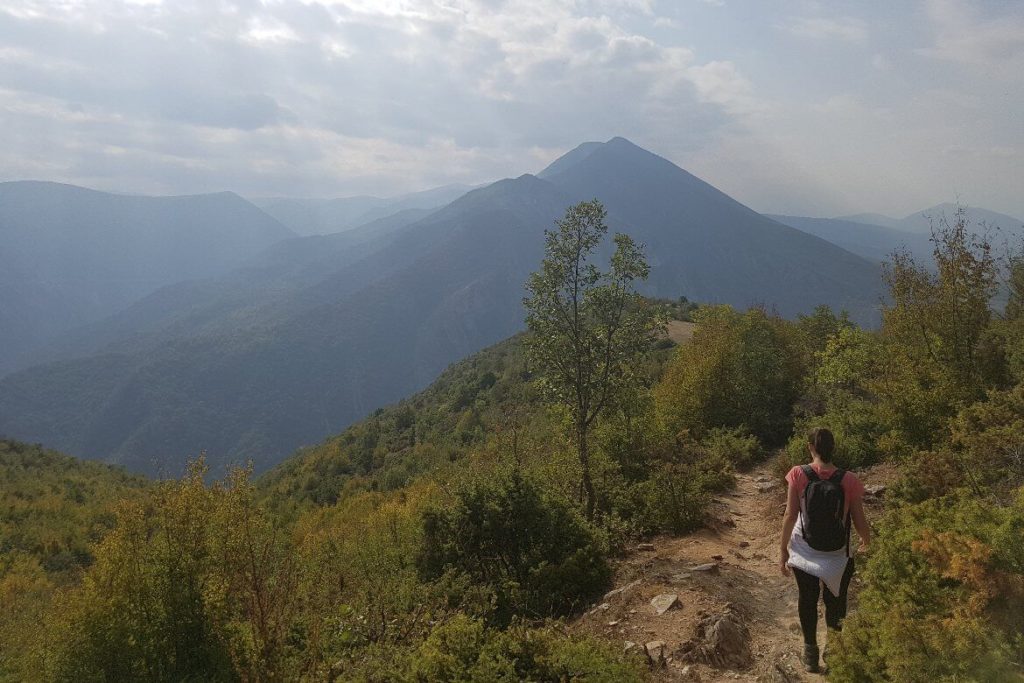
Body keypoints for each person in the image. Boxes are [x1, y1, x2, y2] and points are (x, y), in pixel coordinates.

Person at [779, 427, 871, 673]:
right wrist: (867, 542)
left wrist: (783, 551)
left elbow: (790, 515)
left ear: (810, 447)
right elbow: (859, 520)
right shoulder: (848, 479)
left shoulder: (798, 474)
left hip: (803, 549)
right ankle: (835, 653)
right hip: (838, 554)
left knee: (807, 601)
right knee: (836, 604)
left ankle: (810, 654)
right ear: (834, 448)